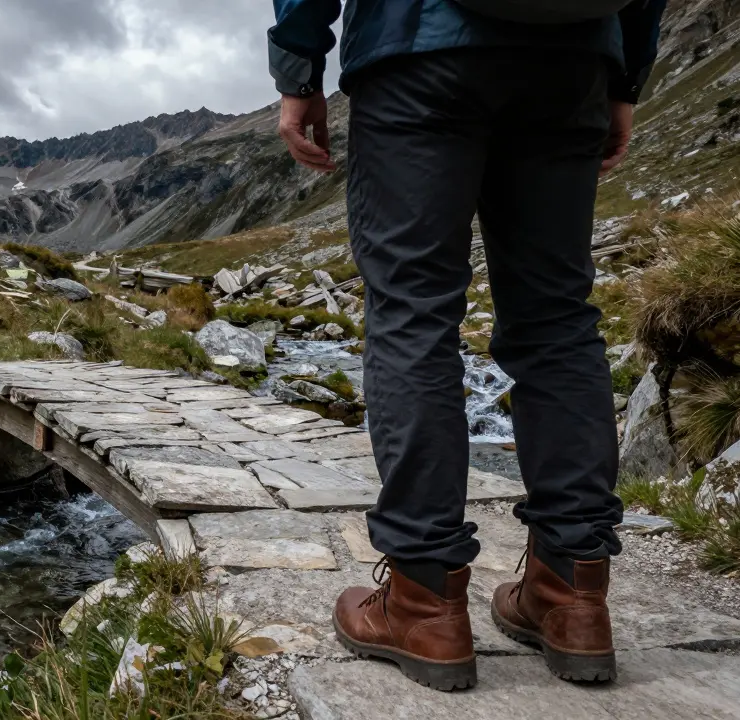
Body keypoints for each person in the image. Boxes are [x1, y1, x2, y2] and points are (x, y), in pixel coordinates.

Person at [268, 0, 667, 691]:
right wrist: (625, 79)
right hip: (573, 54)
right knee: (557, 318)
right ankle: (571, 593)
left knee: (414, 311)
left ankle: (424, 602)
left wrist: (299, 70)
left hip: (415, 47)